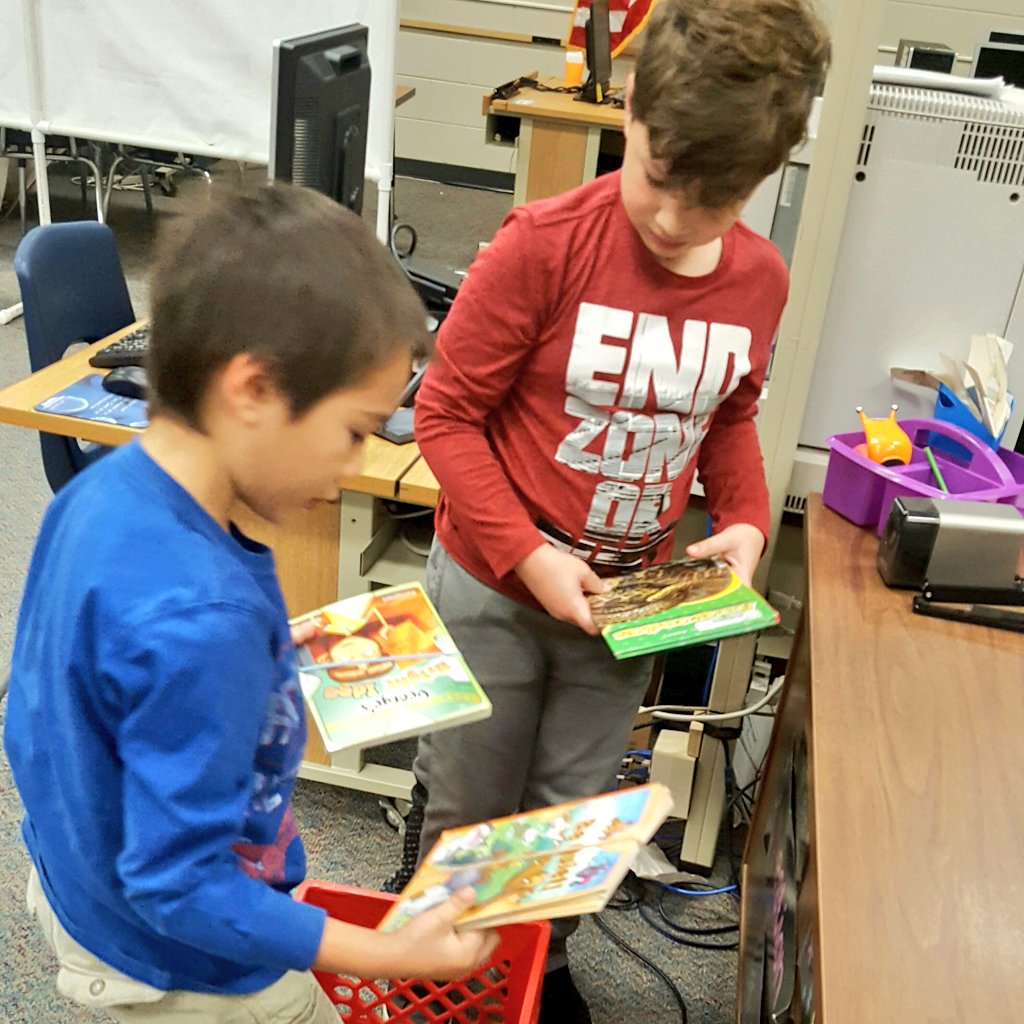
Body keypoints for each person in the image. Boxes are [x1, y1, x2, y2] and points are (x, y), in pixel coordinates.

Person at [395, 1, 832, 1020]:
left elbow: (729, 416)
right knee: (469, 802)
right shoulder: (543, 245)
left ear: (762, 178)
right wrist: (529, 556)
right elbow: (445, 417)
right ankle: (434, 968)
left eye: (715, 206)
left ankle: (533, 976)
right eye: (659, 185)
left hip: (629, 600)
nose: (677, 224)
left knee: (569, 814)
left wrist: (746, 519)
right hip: (494, 586)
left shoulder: (758, 279)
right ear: (627, 108)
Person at [3, 183, 498, 1023]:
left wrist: (281, 659)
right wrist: (383, 951)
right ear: (254, 391)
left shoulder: (102, 494)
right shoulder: (204, 621)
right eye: (351, 431)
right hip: (189, 963)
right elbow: (178, 885)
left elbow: (58, 701)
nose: (351, 465)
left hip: (80, 882)